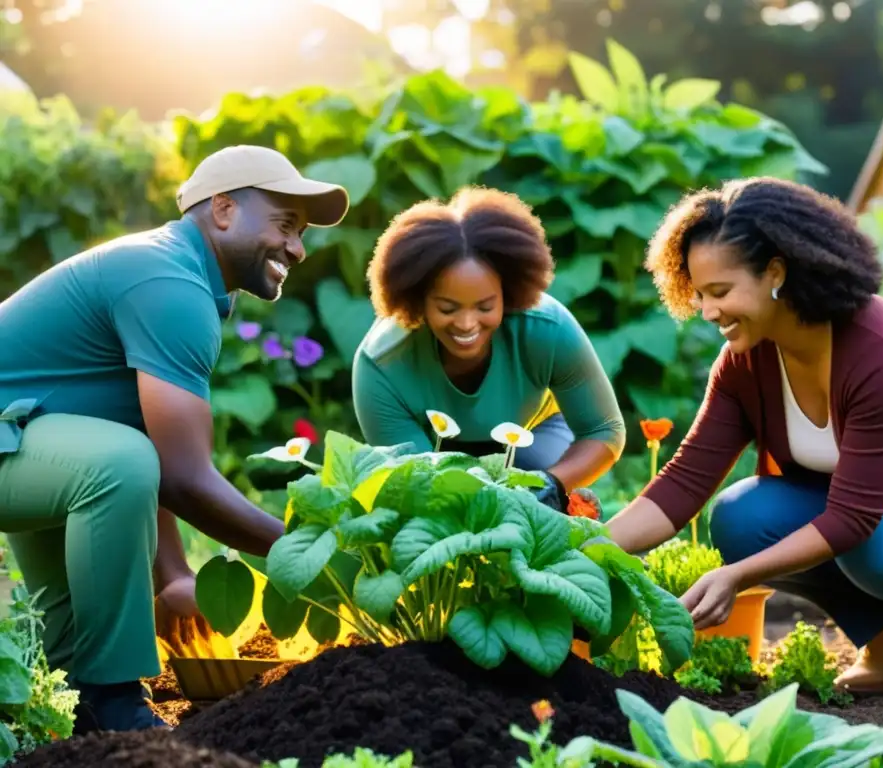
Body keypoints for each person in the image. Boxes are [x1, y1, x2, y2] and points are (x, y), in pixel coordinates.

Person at [605, 177, 883, 708]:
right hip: (864, 514)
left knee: (882, 539)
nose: (707, 312)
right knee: (740, 516)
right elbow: (686, 480)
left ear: (776, 273)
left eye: (720, 293)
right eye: (698, 294)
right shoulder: (746, 359)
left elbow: (854, 518)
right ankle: (882, 637)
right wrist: (588, 548)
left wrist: (735, 577)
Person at [0, 145, 350, 732]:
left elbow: (150, 438)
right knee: (115, 465)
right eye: (286, 225)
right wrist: (316, 555)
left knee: (65, 669)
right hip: (22, 441)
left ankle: (76, 716)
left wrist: (175, 574)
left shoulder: (180, 276)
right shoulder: (170, 284)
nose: (298, 247)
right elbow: (184, 478)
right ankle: (114, 704)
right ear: (222, 210)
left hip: (32, 443)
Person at [352, 186, 626, 511]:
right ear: (418, 299)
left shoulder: (546, 329)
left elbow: (604, 429)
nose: (467, 324)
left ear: (508, 294)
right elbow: (416, 482)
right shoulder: (381, 364)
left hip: (534, 436)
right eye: (448, 308)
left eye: (485, 307)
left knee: (532, 489)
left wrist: (550, 486)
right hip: (433, 453)